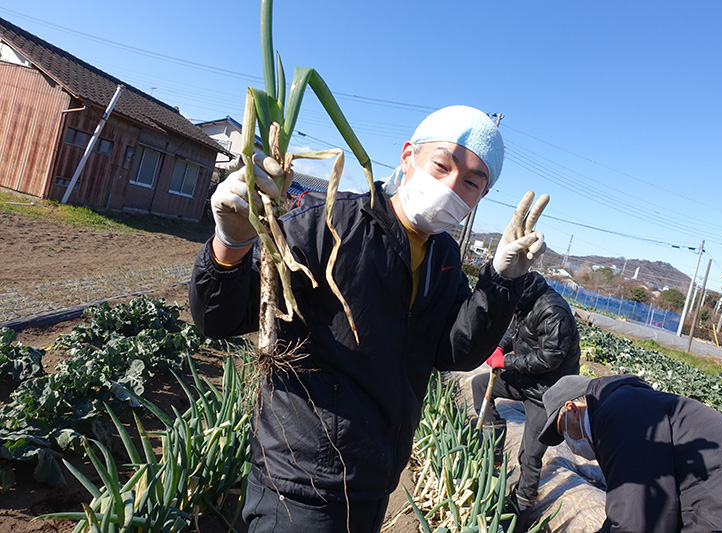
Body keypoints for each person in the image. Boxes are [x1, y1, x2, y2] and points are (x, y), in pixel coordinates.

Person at [190, 105, 551, 532]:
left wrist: (501, 280)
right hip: (303, 485)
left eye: (471, 182)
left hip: (372, 482)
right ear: (407, 156)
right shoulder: (329, 223)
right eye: (442, 165)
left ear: (481, 197)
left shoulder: (445, 256)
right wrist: (230, 243)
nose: (452, 186)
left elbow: (452, 350)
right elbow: (219, 319)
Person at [538, 374, 722, 533]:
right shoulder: (628, 405)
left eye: (564, 431)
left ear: (571, 408)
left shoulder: (619, 414)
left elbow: (639, 521)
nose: (570, 442)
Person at [471, 270, 580, 525]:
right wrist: (500, 346)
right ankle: (494, 447)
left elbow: (550, 358)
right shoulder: (524, 302)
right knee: (479, 385)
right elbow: (516, 331)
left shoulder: (554, 311)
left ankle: (521, 512)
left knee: (530, 456)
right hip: (526, 379)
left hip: (546, 392)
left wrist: (506, 361)